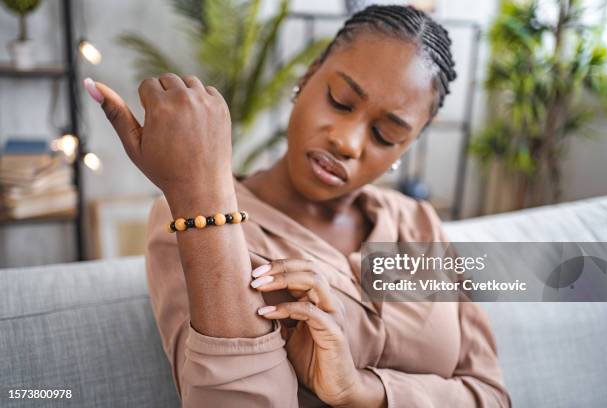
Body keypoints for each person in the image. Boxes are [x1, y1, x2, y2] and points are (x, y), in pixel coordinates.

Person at [84, 5, 511, 407]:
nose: (346, 141)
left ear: (409, 144)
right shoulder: (200, 217)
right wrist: (201, 193)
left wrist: (361, 390)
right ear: (307, 79)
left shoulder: (415, 223)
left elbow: (489, 395)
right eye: (340, 101)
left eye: (385, 134)